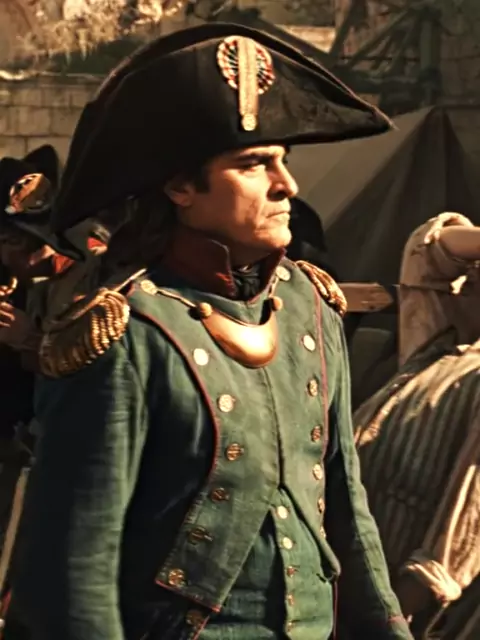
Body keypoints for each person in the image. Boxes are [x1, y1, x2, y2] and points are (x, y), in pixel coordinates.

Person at [8, 23, 412, 640]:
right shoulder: (127, 333)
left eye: (283, 160)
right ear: (180, 187)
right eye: (254, 164)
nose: (287, 185)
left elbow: (346, 510)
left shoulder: (309, 305)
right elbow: (71, 576)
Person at [354, 212, 480, 638]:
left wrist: (397, 608)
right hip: (333, 567)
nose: (466, 279)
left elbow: (467, 518)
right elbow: (425, 251)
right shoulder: (441, 345)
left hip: (385, 592)